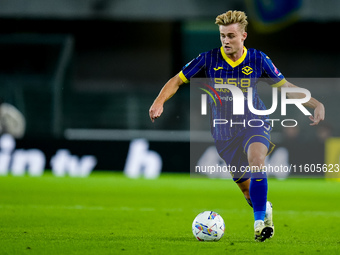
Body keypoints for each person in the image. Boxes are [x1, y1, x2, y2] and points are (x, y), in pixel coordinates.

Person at [149, 10, 325, 242]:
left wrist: (315, 103)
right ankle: (263, 208)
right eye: (222, 36)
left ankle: (259, 222)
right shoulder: (208, 59)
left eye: (231, 36)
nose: (226, 40)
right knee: (246, 189)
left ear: (243, 36)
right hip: (224, 130)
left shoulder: (258, 59)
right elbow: (177, 80)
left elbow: (285, 86)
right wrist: (159, 101)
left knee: (257, 160)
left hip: (254, 121)